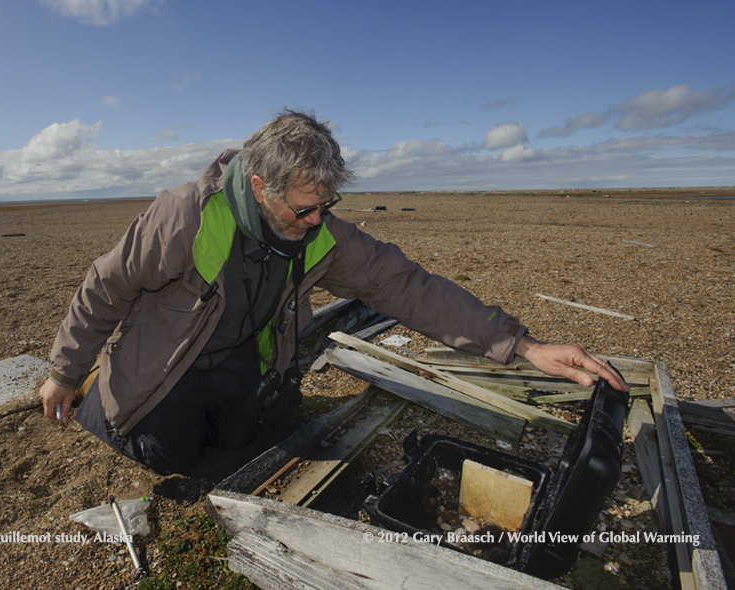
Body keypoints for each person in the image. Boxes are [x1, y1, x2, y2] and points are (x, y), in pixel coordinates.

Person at [39, 110, 627, 475]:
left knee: (240, 444)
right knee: (169, 456)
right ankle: (102, 400)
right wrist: (65, 371)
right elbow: (104, 287)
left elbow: (407, 287)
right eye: (305, 207)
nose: (318, 220)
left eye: (328, 205)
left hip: (241, 361)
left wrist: (523, 345)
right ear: (261, 186)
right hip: (163, 361)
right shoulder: (184, 217)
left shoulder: (320, 230)